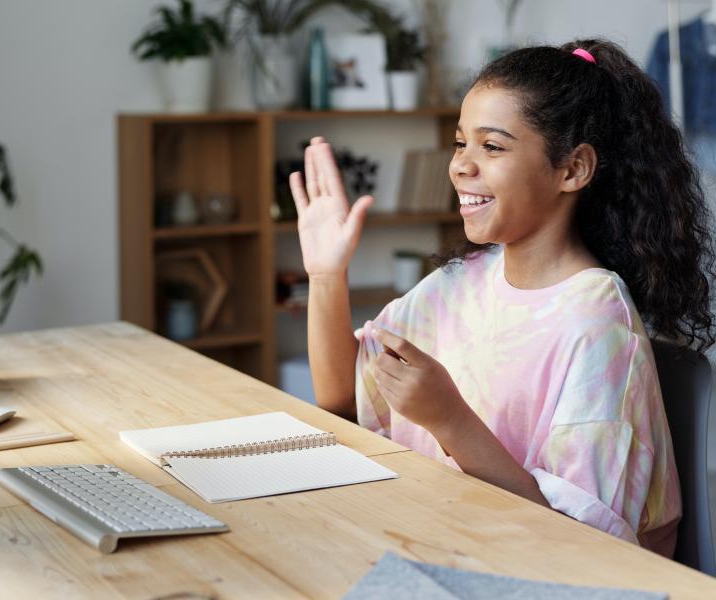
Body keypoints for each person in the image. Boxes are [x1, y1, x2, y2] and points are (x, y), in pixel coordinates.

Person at [288, 39, 716, 558]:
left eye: (492, 147)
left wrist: (449, 420)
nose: (462, 166)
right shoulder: (457, 283)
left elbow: (580, 548)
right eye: (459, 142)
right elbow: (341, 403)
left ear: (573, 169)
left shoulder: (598, 325)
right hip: (444, 544)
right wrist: (327, 274)